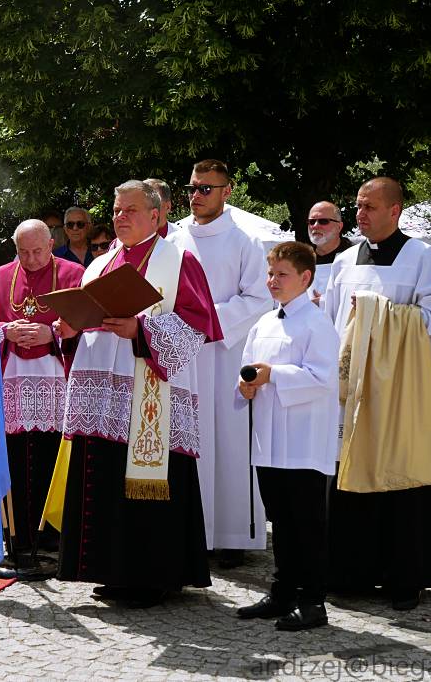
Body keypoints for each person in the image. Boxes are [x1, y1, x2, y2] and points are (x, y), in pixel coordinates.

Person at [55, 180, 223, 608]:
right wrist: (69, 327)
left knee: (145, 485)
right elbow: (87, 320)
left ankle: (152, 577)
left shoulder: (179, 260)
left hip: (150, 393)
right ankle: (109, 570)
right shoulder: (99, 264)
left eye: (130, 210)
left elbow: (197, 325)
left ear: (155, 215)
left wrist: (140, 330)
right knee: (105, 476)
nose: (120, 217)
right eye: (116, 210)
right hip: (102, 395)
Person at [321, 177, 431, 611]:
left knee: (402, 479)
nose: (360, 214)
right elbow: (331, 323)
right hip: (353, 392)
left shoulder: (421, 257)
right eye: (358, 206)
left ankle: (406, 577)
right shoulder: (344, 261)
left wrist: (378, 316)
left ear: (395, 210)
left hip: (399, 389)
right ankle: (351, 573)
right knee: (350, 477)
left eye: (370, 207)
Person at [168, 159, 272, 568]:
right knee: (190, 440)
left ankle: (231, 533)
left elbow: (259, 298)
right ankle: (193, 530)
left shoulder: (245, 241)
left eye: (206, 189)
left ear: (227, 191)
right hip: (183, 353)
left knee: (230, 442)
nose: (196, 196)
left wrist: (207, 319)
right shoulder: (173, 237)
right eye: (192, 188)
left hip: (227, 354)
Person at [235, 242, 338, 631]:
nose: (272, 281)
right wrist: (244, 386)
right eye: (270, 273)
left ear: (305, 277)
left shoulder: (317, 323)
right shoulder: (264, 322)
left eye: (282, 274)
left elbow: (322, 378)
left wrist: (273, 375)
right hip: (269, 441)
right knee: (279, 520)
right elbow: (247, 369)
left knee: (306, 524)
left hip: (302, 442)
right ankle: (282, 593)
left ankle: (313, 602)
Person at [0, 220, 85, 552]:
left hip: (58, 383)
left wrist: (53, 333)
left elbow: (89, 327)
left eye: (37, 251)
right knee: (14, 457)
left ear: (51, 244)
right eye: (23, 252)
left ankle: (53, 534)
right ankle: (16, 533)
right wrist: (6, 330)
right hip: (12, 383)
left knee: (52, 455)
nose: (30, 260)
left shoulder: (75, 276)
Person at [308, 201, 354, 265]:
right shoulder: (301, 259)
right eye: (312, 221)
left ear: (339, 227)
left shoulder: (356, 255)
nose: (315, 226)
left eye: (323, 221)